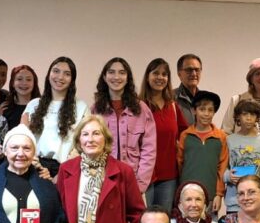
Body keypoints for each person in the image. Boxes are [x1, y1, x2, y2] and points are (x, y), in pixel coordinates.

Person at [92, 57, 157, 193]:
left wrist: (140, 184)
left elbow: (149, 150)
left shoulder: (141, 109)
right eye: (111, 72)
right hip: (102, 181)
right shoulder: (96, 110)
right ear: (104, 77)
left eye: (122, 72)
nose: (116, 77)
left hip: (133, 181)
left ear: (128, 78)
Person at [23, 56, 87, 179]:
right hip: (34, 166)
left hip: (66, 168)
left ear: (72, 79)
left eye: (67, 74)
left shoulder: (81, 107)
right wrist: (36, 166)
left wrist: (61, 173)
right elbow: (23, 137)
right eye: (56, 71)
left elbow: (82, 143)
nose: (60, 77)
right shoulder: (33, 104)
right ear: (49, 74)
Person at [140, 58, 189, 209]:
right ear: (147, 76)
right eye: (156, 73)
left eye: (164, 74)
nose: (160, 77)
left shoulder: (173, 106)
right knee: (144, 221)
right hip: (143, 175)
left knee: (163, 220)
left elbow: (185, 134)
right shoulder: (138, 106)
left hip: (168, 176)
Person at [176, 91, 227, 213]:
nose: (206, 114)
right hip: (187, 194)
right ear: (194, 111)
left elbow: (222, 167)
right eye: (202, 109)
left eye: (210, 110)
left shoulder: (220, 137)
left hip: (210, 195)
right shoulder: (185, 135)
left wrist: (219, 194)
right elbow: (179, 163)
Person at [223, 100, 260, 213]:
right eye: (245, 114)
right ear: (238, 117)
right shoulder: (229, 140)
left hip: (257, 199)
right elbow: (222, 167)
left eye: (252, 114)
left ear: (257, 118)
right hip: (234, 200)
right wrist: (228, 176)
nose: (248, 118)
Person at [221, 58, 260, 133]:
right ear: (251, 79)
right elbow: (225, 131)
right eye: (257, 74)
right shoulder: (237, 100)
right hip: (240, 144)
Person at [5, 64, 41, 131]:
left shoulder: (42, 107)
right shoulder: (5, 109)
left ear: (34, 83)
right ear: (13, 83)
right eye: (19, 79)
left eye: (28, 79)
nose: (24, 83)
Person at [174, 54, 203, 126]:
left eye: (197, 70)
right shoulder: (170, 98)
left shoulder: (205, 99)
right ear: (179, 74)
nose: (194, 74)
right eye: (189, 70)